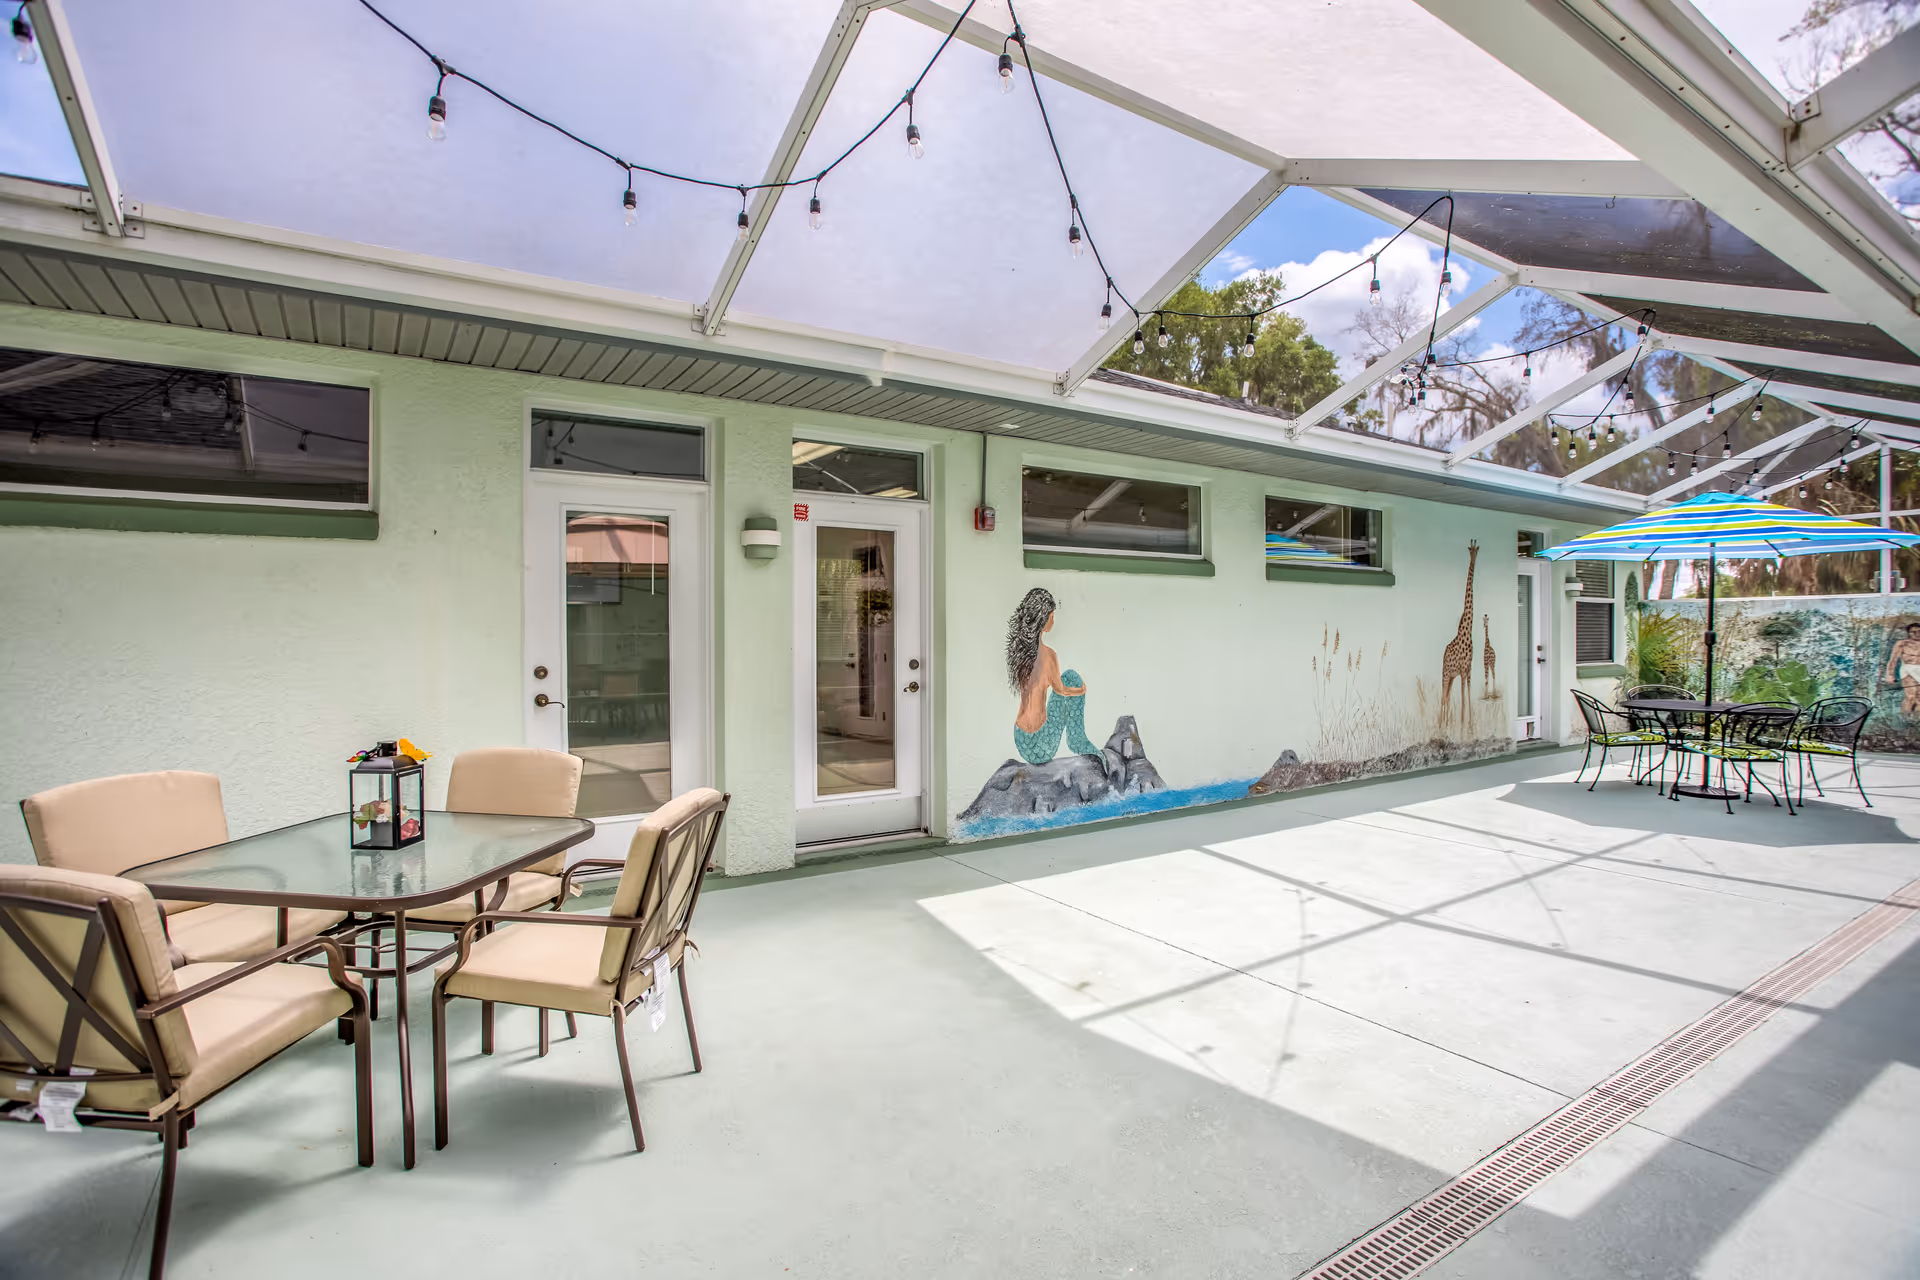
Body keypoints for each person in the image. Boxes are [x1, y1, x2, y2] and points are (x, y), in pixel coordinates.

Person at [1005, 587, 1100, 764]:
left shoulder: (1019, 653)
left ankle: (1077, 738)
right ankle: (1077, 739)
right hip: (1041, 745)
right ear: (1042, 619)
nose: (1053, 621)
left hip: (1021, 737)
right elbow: (1061, 690)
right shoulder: (1048, 656)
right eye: (1051, 616)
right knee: (1071, 677)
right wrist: (1081, 690)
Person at [1884, 622, 1920, 715]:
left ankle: (1916, 722)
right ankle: (1905, 718)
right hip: (1908, 670)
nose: (1917, 634)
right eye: (1913, 632)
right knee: (1911, 696)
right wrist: (1890, 674)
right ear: (1908, 633)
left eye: (1919, 631)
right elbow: (1893, 660)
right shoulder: (1902, 643)